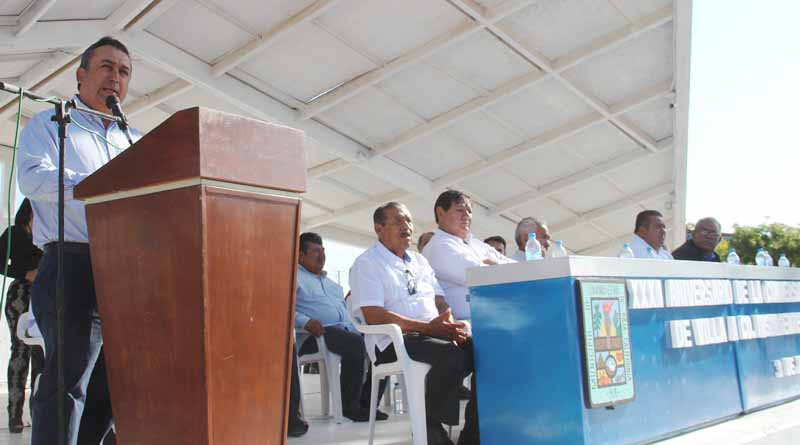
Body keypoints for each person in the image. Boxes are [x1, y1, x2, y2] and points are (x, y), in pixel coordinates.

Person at [17, 36, 141, 445]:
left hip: (125, 271)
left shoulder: (133, 140)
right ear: (81, 74)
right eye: (107, 67)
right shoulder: (52, 124)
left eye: (124, 71)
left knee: (112, 386)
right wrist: (99, 184)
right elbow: (32, 178)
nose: (115, 77)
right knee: (68, 382)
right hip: (72, 263)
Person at [350, 202, 479, 445]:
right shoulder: (367, 264)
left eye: (409, 221)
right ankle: (429, 429)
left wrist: (449, 322)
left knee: (481, 352)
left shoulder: (420, 261)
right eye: (398, 221)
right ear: (379, 228)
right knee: (451, 355)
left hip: (431, 333)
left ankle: (471, 437)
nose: (407, 227)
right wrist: (429, 328)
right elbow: (374, 315)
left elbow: (440, 300)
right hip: (393, 340)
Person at [294, 232, 387, 422]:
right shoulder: (293, 278)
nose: (322, 255)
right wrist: (305, 321)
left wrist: (364, 328)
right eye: (315, 251)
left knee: (384, 343)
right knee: (353, 343)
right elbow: (283, 308)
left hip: (344, 331)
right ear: (301, 255)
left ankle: (367, 404)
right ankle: (349, 407)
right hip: (314, 334)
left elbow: (347, 314)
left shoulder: (333, 285)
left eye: (323, 250)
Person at [422, 190, 513, 321]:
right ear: (440, 213)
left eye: (469, 211)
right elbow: (481, 275)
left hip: (494, 316)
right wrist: (489, 264)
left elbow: (513, 266)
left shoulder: (474, 243)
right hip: (467, 323)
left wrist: (492, 263)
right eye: (460, 210)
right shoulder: (439, 246)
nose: (466, 216)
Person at [0, 199, 44, 433]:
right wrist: (25, 273)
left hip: (43, 296)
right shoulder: (14, 233)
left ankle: (37, 415)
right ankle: (15, 415)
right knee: (20, 350)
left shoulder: (45, 234)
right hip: (20, 294)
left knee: (40, 352)